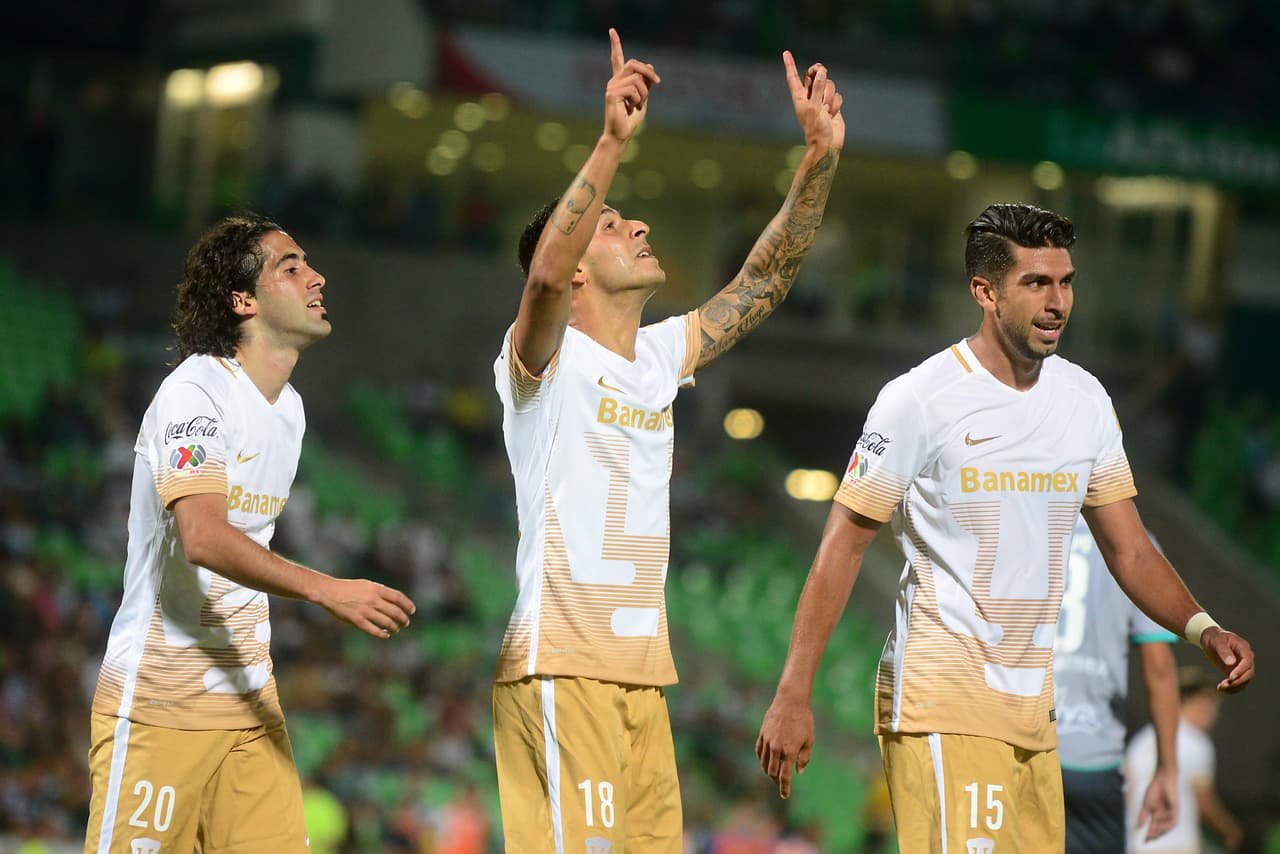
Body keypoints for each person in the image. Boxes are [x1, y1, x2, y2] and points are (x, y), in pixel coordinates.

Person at [755, 203, 1255, 853]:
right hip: (942, 701)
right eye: (1036, 283)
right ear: (985, 292)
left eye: (1066, 281)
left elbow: (1129, 549)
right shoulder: (919, 399)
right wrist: (795, 691)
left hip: (1033, 717)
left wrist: (1201, 626)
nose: (1057, 301)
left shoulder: (1086, 402)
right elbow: (844, 544)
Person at [491, 28, 843, 853]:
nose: (640, 225)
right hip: (560, 666)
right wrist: (611, 142)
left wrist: (820, 158)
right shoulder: (542, 359)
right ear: (579, 264)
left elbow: (764, 281)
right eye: (613, 224)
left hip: (643, 677)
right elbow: (542, 276)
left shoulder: (657, 357)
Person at [84, 214, 416, 854]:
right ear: (242, 301)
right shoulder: (194, 393)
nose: (316, 276)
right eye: (290, 267)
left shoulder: (288, 410)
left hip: (248, 702)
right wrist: (327, 591)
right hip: (163, 699)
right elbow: (204, 538)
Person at [1054, 516, 1179, 854]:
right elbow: (1159, 668)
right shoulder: (1138, 543)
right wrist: (1167, 769)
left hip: (1025, 745)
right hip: (1094, 755)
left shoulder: (1029, 522)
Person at [1126, 668, 1244, 853]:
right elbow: (1204, 802)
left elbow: (1127, 793)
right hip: (1177, 845)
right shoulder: (1196, 741)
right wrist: (1229, 829)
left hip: (1139, 845)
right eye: (1208, 706)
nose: (1213, 715)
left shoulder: (1142, 740)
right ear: (1188, 702)